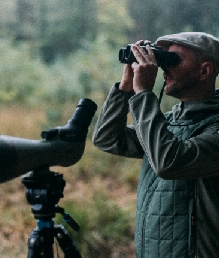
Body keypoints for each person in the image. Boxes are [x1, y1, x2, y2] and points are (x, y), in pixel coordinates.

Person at [92, 32, 219, 258]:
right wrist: (126, 87)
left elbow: (169, 163)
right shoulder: (168, 123)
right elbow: (107, 138)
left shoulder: (214, 127)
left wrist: (144, 95)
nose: (163, 68)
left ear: (205, 71)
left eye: (174, 60)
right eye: (163, 59)